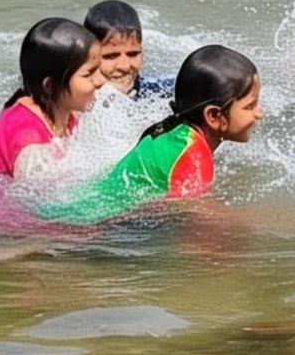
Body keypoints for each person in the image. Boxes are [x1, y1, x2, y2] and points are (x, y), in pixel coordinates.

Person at [36, 44, 262, 224]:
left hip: (68, 210)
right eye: (250, 106)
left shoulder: (173, 130)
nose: (259, 113)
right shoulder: (194, 157)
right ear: (214, 116)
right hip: (84, 227)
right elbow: (194, 219)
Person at [0, 18, 103, 179]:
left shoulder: (60, 106)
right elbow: (39, 192)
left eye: (98, 69)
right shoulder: (30, 146)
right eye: (89, 74)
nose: (100, 81)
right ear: (50, 85)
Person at [82, 0, 174, 100]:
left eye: (133, 54)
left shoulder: (160, 93)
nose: (124, 66)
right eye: (111, 56)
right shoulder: (71, 100)